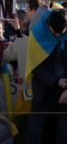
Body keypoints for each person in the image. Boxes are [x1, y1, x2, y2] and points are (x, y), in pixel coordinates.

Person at [25, 9, 67, 143]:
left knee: (63, 134)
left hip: (65, 93)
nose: (59, 36)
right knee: (34, 133)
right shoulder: (37, 34)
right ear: (48, 23)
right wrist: (56, 81)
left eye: (63, 32)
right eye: (55, 33)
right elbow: (35, 66)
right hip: (43, 92)